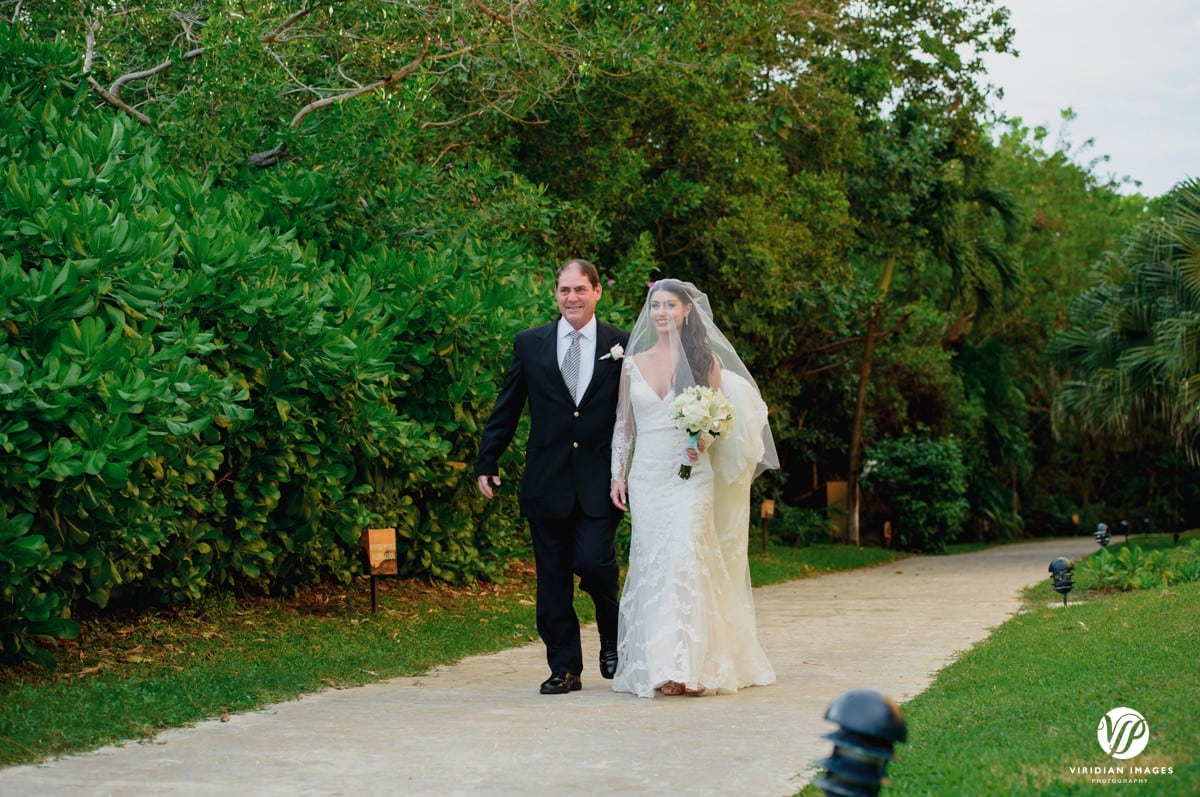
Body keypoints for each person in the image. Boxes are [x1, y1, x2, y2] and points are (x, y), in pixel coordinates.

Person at [609, 279, 778, 698]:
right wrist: (617, 475)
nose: (661, 312)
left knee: (685, 557)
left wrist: (702, 438)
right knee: (655, 563)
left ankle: (690, 665)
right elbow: (623, 428)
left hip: (691, 478)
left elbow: (720, 423)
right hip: (648, 479)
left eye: (669, 304)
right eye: (655, 305)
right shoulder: (632, 364)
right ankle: (659, 664)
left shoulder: (706, 364)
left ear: (686, 310)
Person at [476, 259, 630, 695]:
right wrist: (488, 459)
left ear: (597, 292)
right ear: (556, 294)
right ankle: (564, 668)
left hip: (601, 482)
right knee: (553, 580)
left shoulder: (622, 344)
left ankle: (611, 635)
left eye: (580, 289)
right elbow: (507, 407)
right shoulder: (531, 343)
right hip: (546, 480)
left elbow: (634, 411)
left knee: (595, 562)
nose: (572, 298)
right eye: (564, 290)